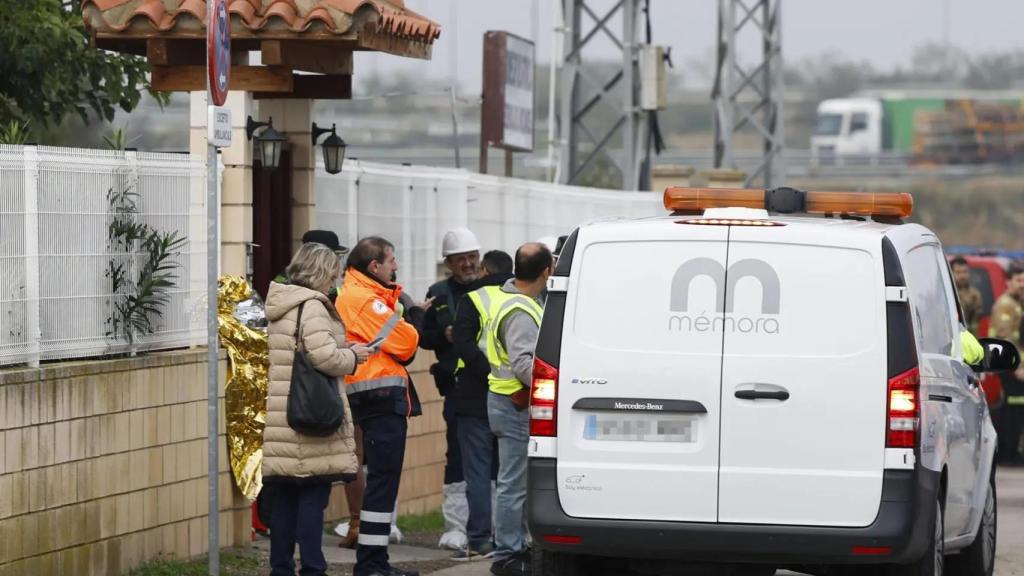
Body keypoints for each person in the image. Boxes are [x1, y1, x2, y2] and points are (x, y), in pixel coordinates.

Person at [263, 242, 371, 576]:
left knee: (284, 500)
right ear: (321, 272)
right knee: (312, 496)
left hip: (284, 414)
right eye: (333, 275)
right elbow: (322, 357)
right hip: (311, 416)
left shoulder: (281, 303)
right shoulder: (312, 306)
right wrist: (353, 356)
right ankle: (312, 568)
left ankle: (280, 567)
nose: (335, 282)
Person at [336, 237, 422, 576]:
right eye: (391, 260)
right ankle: (372, 565)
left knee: (382, 483)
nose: (396, 267)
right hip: (380, 398)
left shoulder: (361, 295)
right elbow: (408, 342)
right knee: (383, 483)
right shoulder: (362, 299)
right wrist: (410, 324)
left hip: (376, 397)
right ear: (374, 266)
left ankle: (374, 562)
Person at [486, 243, 554, 576]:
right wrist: (557, 380)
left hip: (509, 402)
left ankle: (514, 547)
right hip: (512, 404)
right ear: (546, 272)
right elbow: (524, 364)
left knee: (515, 482)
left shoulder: (519, 301)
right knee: (512, 484)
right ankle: (507, 555)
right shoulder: (521, 310)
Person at [420, 228, 483, 548]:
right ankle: (456, 526)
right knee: (456, 453)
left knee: (494, 456)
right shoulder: (438, 293)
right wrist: (441, 336)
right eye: (462, 259)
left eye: (473, 257)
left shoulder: (490, 289)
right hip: (455, 389)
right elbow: (422, 337)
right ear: (449, 262)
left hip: (490, 386)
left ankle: (489, 525)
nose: (469, 264)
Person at [450, 250, 515, 561]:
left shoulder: (473, 298)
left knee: (476, 472)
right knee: (510, 473)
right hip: (515, 396)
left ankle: (479, 539)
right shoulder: (527, 299)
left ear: (485, 269)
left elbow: (461, 342)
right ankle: (511, 538)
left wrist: (487, 372)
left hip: (475, 396)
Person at [990, 263, 1024, 465]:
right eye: (1018, 281)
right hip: (1008, 365)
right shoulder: (1006, 305)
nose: (1022, 285)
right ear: (1009, 282)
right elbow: (1007, 338)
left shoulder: (1016, 304)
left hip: (1012, 365)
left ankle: (1011, 452)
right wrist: (1018, 368)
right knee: (1011, 410)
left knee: (1015, 410)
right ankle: (1008, 454)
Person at [952, 257, 983, 334]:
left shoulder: (975, 295)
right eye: (958, 272)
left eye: (965, 272)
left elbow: (976, 321)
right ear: (951, 273)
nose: (962, 276)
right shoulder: (948, 295)